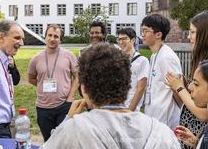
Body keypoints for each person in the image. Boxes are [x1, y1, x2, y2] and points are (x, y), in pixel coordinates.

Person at [42, 43, 181, 149]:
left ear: (83, 89)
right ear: (127, 85)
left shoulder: (73, 130)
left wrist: (67, 120)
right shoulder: (163, 134)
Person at [165, 10, 208, 149]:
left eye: (193, 32)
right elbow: (188, 102)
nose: (189, 37)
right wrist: (180, 85)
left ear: (207, 34)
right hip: (195, 138)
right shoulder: (204, 58)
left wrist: (179, 87)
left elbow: (207, 113)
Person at [27, 24, 79, 142]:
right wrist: (42, 86)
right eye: (49, 35)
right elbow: (31, 78)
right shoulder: (36, 58)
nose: (52, 39)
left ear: (60, 40)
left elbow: (77, 76)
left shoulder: (69, 55)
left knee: (63, 140)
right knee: (49, 140)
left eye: (56, 36)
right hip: (43, 107)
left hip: (64, 105)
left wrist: (70, 96)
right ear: (45, 37)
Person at [141, 14, 182, 130]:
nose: (142, 34)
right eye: (142, 30)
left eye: (146, 31)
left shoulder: (167, 57)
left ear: (158, 34)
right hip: (154, 114)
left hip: (165, 119)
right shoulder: (154, 55)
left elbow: (177, 88)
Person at [117, 28, 150, 111]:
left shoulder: (142, 61)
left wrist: (129, 111)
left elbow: (141, 88)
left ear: (133, 40)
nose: (121, 42)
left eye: (124, 39)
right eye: (119, 39)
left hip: (132, 109)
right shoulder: (117, 60)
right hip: (116, 107)